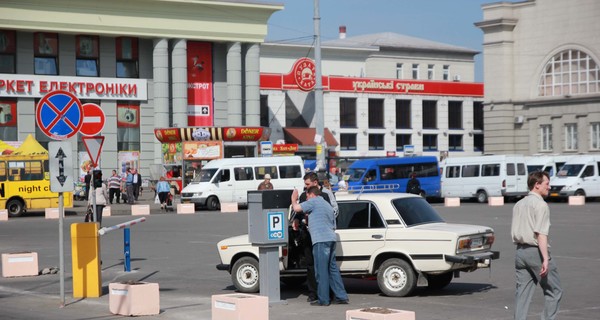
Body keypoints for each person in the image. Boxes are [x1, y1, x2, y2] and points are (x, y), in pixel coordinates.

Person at [511, 171, 562, 320]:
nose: (549, 187)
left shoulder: (519, 204)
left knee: (522, 293)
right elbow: (540, 234)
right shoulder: (541, 205)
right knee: (554, 291)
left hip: (520, 252)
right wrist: (545, 259)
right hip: (535, 253)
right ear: (537, 185)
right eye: (547, 183)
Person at [291, 186, 348, 306]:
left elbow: (296, 208)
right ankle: (341, 296)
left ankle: (323, 300)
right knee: (332, 269)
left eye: (306, 196)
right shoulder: (327, 205)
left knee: (321, 271)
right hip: (331, 239)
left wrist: (294, 198)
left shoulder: (313, 201)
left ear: (311, 194)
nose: (306, 198)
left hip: (320, 240)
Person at [293, 172, 337, 303]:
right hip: (308, 234)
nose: (305, 187)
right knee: (311, 265)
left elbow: (334, 211)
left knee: (325, 267)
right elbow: (299, 211)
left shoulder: (325, 195)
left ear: (315, 183)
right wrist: (297, 219)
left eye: (307, 184)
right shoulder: (303, 195)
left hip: (322, 234)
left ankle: (328, 294)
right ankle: (313, 292)